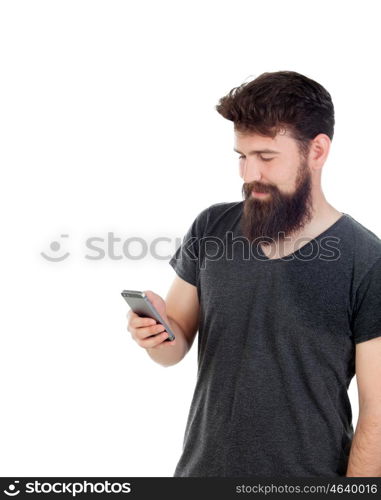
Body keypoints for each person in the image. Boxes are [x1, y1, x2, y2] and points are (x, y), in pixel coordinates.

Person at [127, 70, 381, 477]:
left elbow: (377, 413)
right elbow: (172, 349)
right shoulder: (211, 227)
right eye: (242, 157)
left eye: (266, 158)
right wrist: (155, 333)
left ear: (317, 151)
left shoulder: (366, 260)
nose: (249, 175)